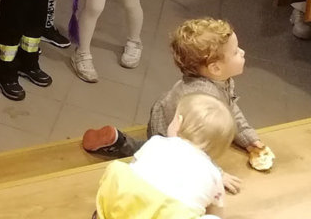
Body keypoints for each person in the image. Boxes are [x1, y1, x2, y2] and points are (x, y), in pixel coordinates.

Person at [83, 17, 272, 184]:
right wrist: (216, 175)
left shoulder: (221, 80)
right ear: (215, 68)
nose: (243, 52)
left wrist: (249, 139)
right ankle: (121, 144)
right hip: (169, 132)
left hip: (176, 120)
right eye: (235, 52)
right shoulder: (204, 100)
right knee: (162, 159)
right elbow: (194, 148)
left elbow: (231, 109)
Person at [94, 94, 234, 219]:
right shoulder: (215, 176)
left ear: (178, 122)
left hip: (122, 206)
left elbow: (134, 167)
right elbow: (217, 210)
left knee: (120, 172)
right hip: (168, 214)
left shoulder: (156, 142)